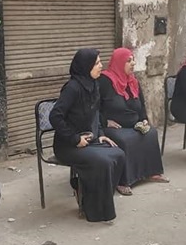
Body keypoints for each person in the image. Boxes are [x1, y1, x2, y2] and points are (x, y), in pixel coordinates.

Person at [50, 49, 126, 222]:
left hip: (89, 139)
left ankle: (91, 196)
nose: (101, 66)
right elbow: (55, 116)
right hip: (68, 145)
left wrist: (100, 134)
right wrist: (74, 139)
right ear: (86, 66)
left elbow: (95, 113)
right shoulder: (72, 88)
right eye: (97, 63)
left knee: (118, 154)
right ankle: (91, 206)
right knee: (103, 161)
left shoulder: (93, 85)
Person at [98, 48, 168, 193]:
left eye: (133, 60)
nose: (133, 63)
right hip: (113, 127)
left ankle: (150, 172)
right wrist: (105, 122)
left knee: (150, 133)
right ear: (119, 62)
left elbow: (141, 104)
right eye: (128, 61)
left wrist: (144, 119)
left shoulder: (132, 81)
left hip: (133, 123)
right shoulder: (104, 81)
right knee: (125, 140)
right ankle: (122, 181)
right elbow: (94, 108)